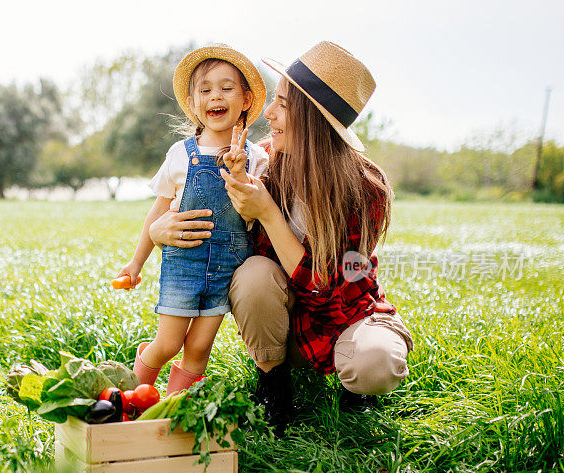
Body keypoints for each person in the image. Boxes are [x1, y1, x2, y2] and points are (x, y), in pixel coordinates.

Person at [149, 41, 413, 425]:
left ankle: (355, 386)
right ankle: (273, 380)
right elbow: (201, 212)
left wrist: (269, 214)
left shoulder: (364, 188)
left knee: (376, 364)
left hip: (346, 315)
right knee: (253, 274)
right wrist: (159, 230)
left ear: (314, 120)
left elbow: (331, 290)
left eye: (284, 104)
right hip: (284, 325)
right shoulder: (261, 163)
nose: (269, 113)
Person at [116, 44, 270, 395]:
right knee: (169, 344)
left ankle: (174, 413)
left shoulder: (257, 158)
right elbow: (158, 211)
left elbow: (253, 213)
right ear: (194, 102)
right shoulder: (180, 154)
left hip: (225, 267)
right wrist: (136, 262)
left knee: (199, 349)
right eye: (205, 89)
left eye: (226, 88)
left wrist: (240, 174)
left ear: (245, 99)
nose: (215, 95)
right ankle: (131, 400)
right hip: (183, 264)